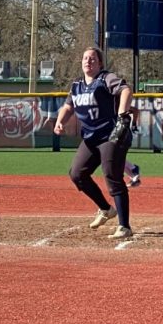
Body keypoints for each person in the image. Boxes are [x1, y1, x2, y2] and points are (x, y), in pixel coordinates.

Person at [53, 46, 135, 239]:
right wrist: (59, 121)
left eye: (92, 59)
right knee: (77, 174)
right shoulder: (76, 85)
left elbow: (125, 90)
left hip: (111, 135)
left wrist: (123, 115)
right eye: (85, 58)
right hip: (90, 138)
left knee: (112, 176)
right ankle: (106, 209)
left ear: (100, 63)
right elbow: (68, 106)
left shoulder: (105, 79)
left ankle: (124, 226)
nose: (87, 61)